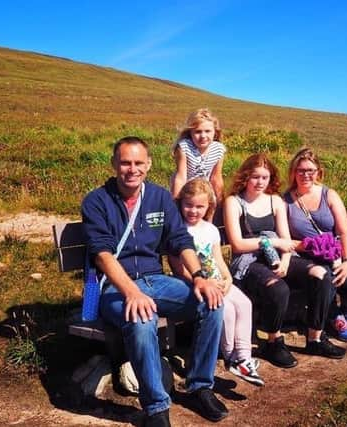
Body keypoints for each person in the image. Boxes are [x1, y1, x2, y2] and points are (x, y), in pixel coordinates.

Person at [81, 136, 228, 426]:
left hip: (156, 279)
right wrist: (132, 292)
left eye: (138, 163)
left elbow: (179, 239)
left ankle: (200, 386)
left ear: (148, 165)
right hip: (115, 286)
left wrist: (199, 277)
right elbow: (102, 255)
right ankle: (156, 408)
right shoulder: (97, 201)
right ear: (114, 164)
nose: (131, 169)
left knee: (211, 303)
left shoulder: (159, 197)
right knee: (141, 318)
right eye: (125, 162)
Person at [224, 153, 346, 369]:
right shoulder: (234, 202)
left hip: (279, 254)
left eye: (265, 177)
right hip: (248, 261)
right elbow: (237, 244)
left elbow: (286, 239)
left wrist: (286, 261)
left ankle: (315, 338)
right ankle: (273, 342)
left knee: (321, 274)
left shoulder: (275, 201)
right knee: (278, 288)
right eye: (255, 177)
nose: (260, 182)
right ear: (245, 177)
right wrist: (269, 243)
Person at [169, 178, 264, 386]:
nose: (193, 211)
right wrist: (202, 282)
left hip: (218, 279)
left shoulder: (210, 230)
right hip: (194, 283)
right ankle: (230, 357)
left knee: (244, 304)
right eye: (188, 205)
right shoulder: (178, 230)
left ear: (208, 207)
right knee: (226, 309)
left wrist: (228, 278)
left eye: (199, 206)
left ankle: (244, 357)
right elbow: (178, 268)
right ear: (181, 203)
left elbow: (217, 258)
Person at [284, 147, 347, 342]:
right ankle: (334, 317)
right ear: (293, 172)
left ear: (318, 172)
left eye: (310, 171)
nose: (306, 175)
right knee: (326, 283)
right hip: (308, 254)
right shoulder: (285, 201)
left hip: (335, 251)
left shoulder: (329, 195)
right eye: (301, 171)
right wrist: (309, 245)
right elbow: (285, 239)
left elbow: (344, 232)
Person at [170, 108, 226, 220]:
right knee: (184, 216)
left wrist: (222, 202)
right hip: (187, 190)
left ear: (215, 132)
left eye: (207, 131)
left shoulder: (219, 149)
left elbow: (216, 178)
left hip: (206, 190)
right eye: (198, 132)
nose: (203, 136)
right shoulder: (184, 147)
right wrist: (175, 202)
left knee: (212, 206)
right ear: (190, 133)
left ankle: (208, 232)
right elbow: (181, 176)